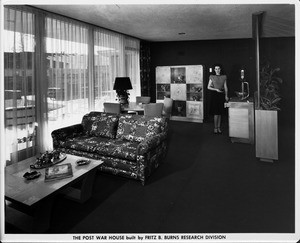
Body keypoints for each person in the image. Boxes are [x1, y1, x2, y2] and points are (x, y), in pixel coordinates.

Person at [207, 64, 229, 134]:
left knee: (220, 113)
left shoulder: (224, 77)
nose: (217, 70)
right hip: (215, 95)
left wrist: (226, 95)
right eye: (216, 69)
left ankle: (219, 127)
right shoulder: (212, 76)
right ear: (214, 70)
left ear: (220, 69)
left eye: (218, 69)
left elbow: (225, 87)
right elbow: (208, 87)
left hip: (221, 95)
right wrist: (216, 89)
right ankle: (215, 128)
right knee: (216, 113)